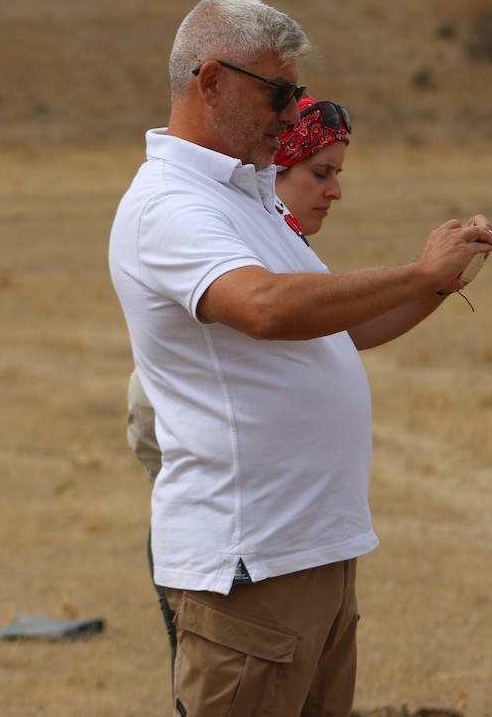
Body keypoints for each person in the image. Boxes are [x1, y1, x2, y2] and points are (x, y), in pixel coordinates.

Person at [107, 0, 492, 716]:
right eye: (279, 91)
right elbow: (262, 307)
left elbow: (341, 329)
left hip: (308, 550)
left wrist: (441, 284)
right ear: (211, 82)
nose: (293, 112)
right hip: (250, 566)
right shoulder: (170, 203)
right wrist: (417, 272)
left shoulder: (247, 199)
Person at [126, 93, 353, 677]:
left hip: (292, 545)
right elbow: (155, 426)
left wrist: (437, 279)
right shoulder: (196, 231)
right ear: (274, 172)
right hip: (240, 551)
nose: (334, 192)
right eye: (319, 173)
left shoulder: (281, 244)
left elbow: (347, 330)